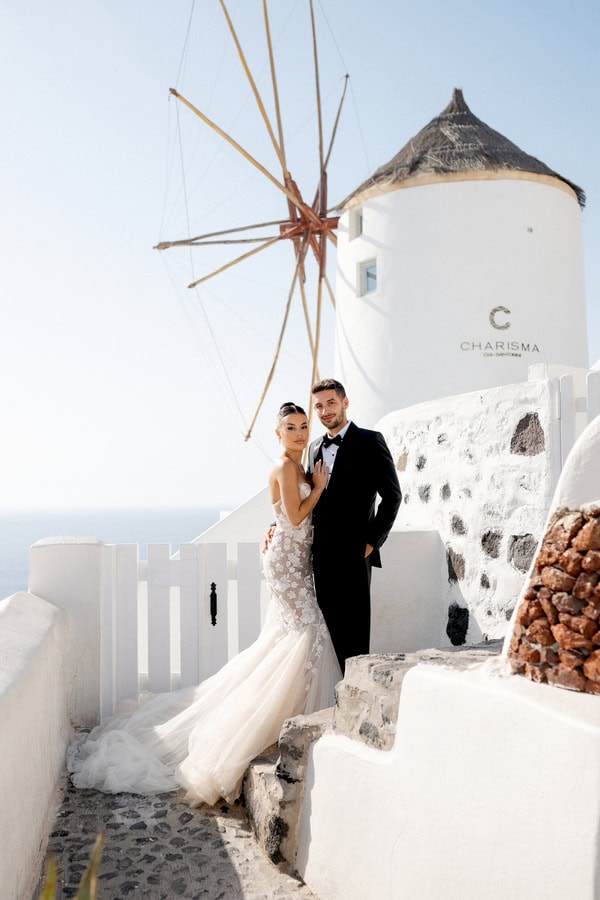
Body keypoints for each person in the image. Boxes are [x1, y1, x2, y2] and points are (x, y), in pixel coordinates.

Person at [68, 402, 341, 807]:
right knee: (309, 631)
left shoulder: (299, 467)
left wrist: (294, 506)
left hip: (296, 560)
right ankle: (280, 720)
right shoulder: (285, 467)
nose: (299, 433)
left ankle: (284, 715)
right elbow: (298, 517)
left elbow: (283, 515)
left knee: (291, 639)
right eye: (290, 427)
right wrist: (318, 489)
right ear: (278, 433)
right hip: (286, 565)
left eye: (303, 426)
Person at [307, 379, 402, 672]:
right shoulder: (313, 447)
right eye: (319, 406)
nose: (325, 411)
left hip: (355, 553)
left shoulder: (370, 441)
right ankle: (334, 691)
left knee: (355, 634)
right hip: (321, 555)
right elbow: (307, 497)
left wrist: (372, 542)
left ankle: (356, 690)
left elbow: (393, 496)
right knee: (327, 632)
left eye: (331, 403)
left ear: (345, 403)